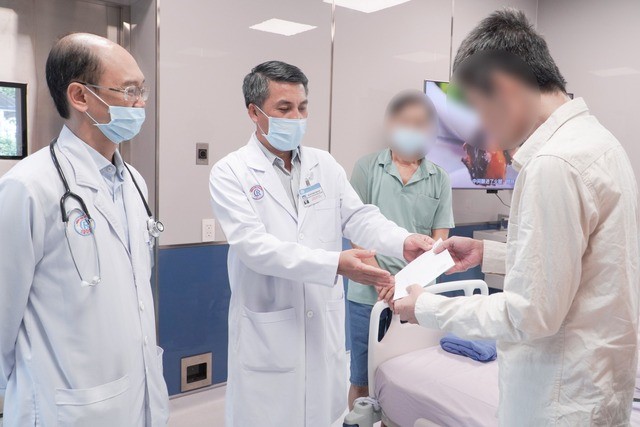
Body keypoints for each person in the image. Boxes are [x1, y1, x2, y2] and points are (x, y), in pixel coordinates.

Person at [394, 8, 639, 426]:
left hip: (557, 403)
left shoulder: (553, 164)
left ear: (504, 88)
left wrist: (428, 308)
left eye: (478, 110)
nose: (482, 130)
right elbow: (577, 266)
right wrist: (488, 254)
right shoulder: (599, 143)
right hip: (594, 391)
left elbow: (531, 314)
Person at [209, 61, 433, 427]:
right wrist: (335, 264)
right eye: (284, 108)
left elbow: (360, 217)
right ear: (254, 112)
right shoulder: (230, 171)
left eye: (302, 107)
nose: (296, 117)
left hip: (321, 325)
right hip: (268, 331)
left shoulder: (323, 164)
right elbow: (254, 248)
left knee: (322, 415)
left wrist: (403, 240)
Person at [0, 33, 169, 426]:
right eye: (129, 91)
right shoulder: (28, 187)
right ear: (80, 96)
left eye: (142, 90)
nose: (141, 104)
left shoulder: (134, 183)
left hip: (135, 395)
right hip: (64, 406)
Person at [347, 91, 454, 409]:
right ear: (391, 125)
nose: (413, 130)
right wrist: (381, 280)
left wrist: (407, 287)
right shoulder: (367, 169)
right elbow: (356, 230)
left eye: (421, 124)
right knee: (362, 381)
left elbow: (438, 244)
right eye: (406, 123)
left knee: (409, 379)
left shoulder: (439, 178)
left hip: (417, 295)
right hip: (368, 296)